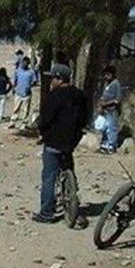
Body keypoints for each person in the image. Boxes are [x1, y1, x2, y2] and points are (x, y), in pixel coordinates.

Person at [33, 64, 90, 223]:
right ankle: (72, 195)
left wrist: (41, 132)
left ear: (59, 79)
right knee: (68, 166)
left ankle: (46, 213)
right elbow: (85, 118)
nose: (51, 81)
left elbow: (45, 119)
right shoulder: (79, 95)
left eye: (52, 78)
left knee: (49, 178)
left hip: (54, 141)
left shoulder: (54, 96)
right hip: (71, 142)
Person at [99, 64, 122, 154]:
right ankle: (104, 145)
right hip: (105, 110)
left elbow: (117, 100)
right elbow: (103, 95)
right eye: (105, 74)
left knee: (112, 128)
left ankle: (111, 146)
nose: (106, 76)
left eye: (108, 74)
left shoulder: (116, 84)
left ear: (112, 75)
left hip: (112, 110)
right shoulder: (106, 84)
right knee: (104, 128)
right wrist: (101, 104)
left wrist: (106, 103)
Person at [8, 57, 37, 128]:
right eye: (23, 62)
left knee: (25, 110)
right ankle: (12, 122)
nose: (24, 64)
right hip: (18, 93)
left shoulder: (31, 72)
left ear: (28, 63)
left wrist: (29, 86)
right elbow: (15, 81)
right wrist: (13, 88)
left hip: (27, 94)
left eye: (26, 63)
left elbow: (34, 81)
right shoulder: (18, 71)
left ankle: (24, 124)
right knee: (16, 108)